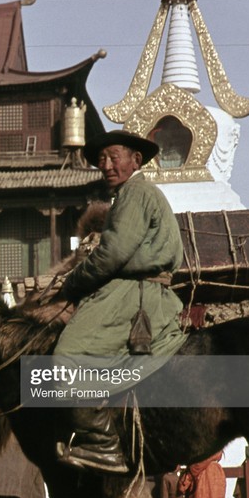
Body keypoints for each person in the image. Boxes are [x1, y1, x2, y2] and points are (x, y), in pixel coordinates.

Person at [53, 130, 186, 474]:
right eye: (101, 160)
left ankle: (102, 442)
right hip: (140, 289)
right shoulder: (133, 194)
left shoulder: (136, 192)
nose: (107, 165)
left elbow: (112, 254)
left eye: (114, 157)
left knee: (67, 356)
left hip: (135, 294)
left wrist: (72, 284)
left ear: (136, 160)